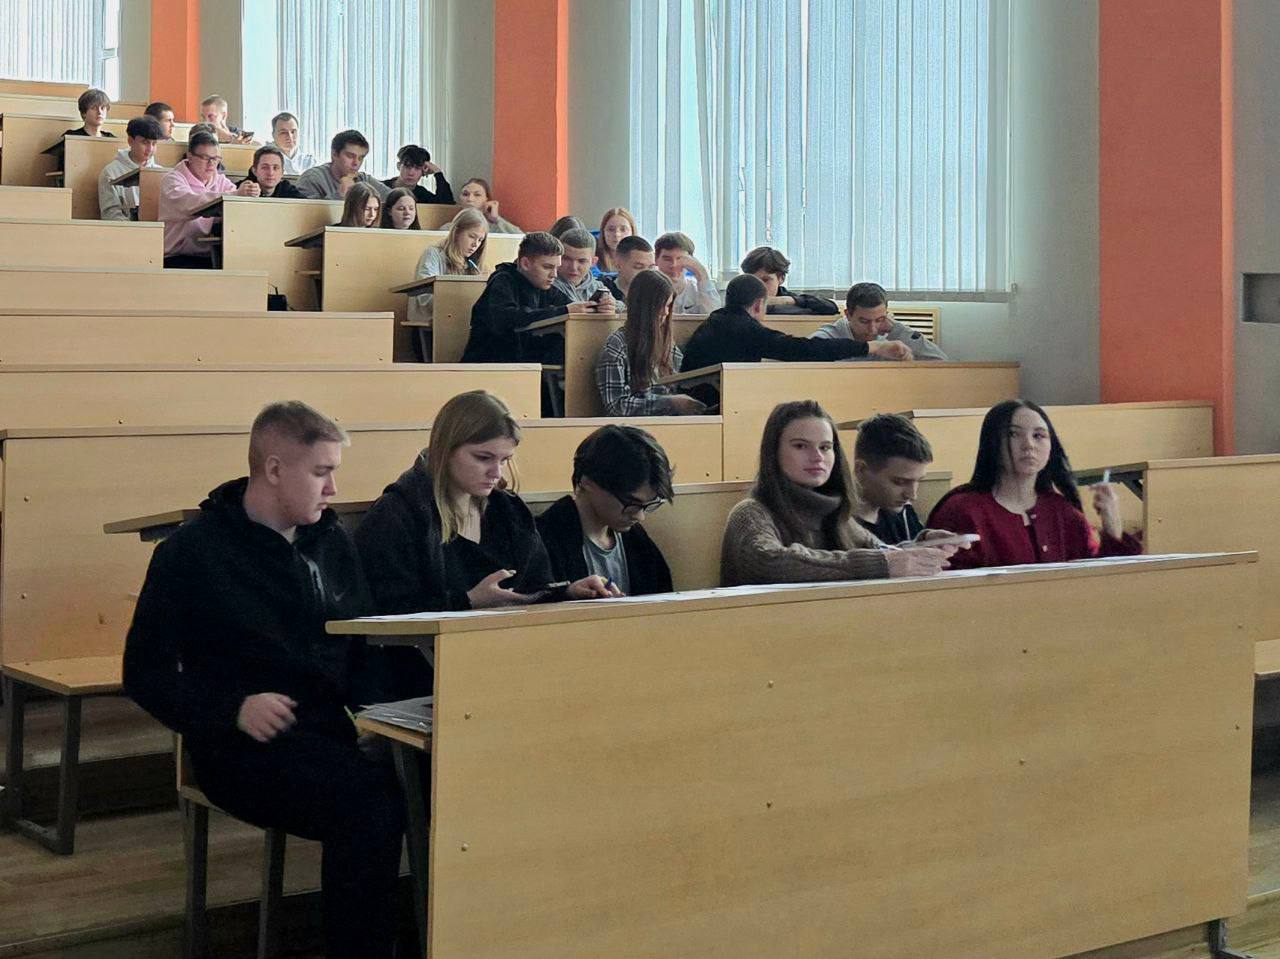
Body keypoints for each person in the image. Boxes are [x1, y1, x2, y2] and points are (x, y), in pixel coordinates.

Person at [122, 401, 405, 959]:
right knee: (370, 805)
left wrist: (379, 718)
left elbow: (360, 645)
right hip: (240, 747)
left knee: (428, 778)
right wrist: (233, 708)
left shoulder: (332, 541)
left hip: (331, 732)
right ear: (274, 469)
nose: (333, 490)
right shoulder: (193, 552)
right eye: (321, 472)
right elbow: (143, 673)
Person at [355, 390, 619, 628]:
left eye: (504, 460)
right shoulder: (397, 515)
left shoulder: (508, 510)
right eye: (483, 458)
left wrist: (567, 593)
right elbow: (385, 612)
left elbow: (533, 587)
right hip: (429, 659)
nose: (496, 473)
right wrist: (469, 601)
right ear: (445, 450)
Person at [720, 400, 954, 587]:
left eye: (825, 447)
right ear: (774, 452)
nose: (817, 457)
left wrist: (921, 548)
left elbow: (882, 553)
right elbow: (766, 562)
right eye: (800, 446)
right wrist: (880, 563)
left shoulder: (836, 512)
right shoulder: (751, 512)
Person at [927, 400, 1143, 570]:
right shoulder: (963, 510)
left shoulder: (1063, 511)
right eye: (1013, 434)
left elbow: (1101, 583)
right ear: (992, 442)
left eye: (1039, 435)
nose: (1029, 445)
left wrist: (1112, 527)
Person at [536, 425, 676, 596]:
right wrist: (566, 594)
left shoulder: (639, 543)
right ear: (587, 482)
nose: (640, 516)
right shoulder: (542, 541)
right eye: (631, 503)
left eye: (648, 505)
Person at [680, 274, 912, 371]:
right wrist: (871, 347)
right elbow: (802, 350)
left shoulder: (717, 321)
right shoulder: (744, 328)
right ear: (759, 305)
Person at [461, 231, 590, 364]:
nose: (554, 275)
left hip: (522, 365)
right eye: (547, 267)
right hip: (487, 366)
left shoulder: (544, 286)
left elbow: (570, 307)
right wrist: (564, 311)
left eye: (556, 268)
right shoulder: (502, 281)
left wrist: (593, 307)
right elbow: (508, 317)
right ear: (525, 264)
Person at [596, 270, 705, 416]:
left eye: (668, 306)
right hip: (633, 426)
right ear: (643, 306)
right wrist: (670, 403)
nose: (666, 313)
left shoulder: (666, 342)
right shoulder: (617, 345)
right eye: (661, 306)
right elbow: (617, 406)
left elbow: (683, 379)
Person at [158, 129, 259, 268]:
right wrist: (235, 195)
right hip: (177, 256)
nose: (211, 164)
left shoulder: (219, 180)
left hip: (211, 254)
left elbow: (236, 201)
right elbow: (191, 204)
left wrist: (250, 192)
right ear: (190, 156)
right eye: (205, 158)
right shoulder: (173, 180)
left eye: (216, 158)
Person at [407, 207, 488, 357]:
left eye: (480, 240)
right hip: (432, 327)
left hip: (462, 325)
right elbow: (424, 296)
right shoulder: (433, 254)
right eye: (472, 237)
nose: (475, 244)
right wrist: (456, 302)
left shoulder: (474, 265)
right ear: (456, 232)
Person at [852, 413, 943, 543]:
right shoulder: (832, 524)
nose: (912, 495)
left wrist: (926, 542)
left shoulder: (904, 513)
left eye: (918, 480)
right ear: (861, 469)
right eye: (899, 482)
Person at [811, 282, 949, 361]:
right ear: (848, 315)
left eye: (879, 320)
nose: (872, 329)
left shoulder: (894, 338)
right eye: (864, 321)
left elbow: (941, 363)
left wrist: (898, 329)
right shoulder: (829, 336)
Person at [98, 115, 164, 221]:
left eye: (154, 143)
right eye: (145, 142)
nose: (150, 149)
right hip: (125, 229)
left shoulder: (160, 172)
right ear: (130, 141)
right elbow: (110, 214)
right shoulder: (110, 173)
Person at [739, 246, 839, 314]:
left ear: (781, 278)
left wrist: (789, 301)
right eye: (753, 280)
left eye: (765, 280)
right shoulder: (738, 303)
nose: (758, 286)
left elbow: (831, 307)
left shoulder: (790, 301)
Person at [296, 130, 390, 201]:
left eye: (360, 158)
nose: (356, 163)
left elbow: (393, 198)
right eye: (350, 156)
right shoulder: (312, 179)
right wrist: (340, 195)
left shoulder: (363, 179)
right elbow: (308, 215)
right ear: (334, 154)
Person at [654, 231, 722, 313]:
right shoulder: (647, 289)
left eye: (680, 259)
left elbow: (714, 316)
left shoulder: (697, 291)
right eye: (667, 259)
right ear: (656, 260)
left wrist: (702, 274)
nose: (674, 265)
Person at [553, 227, 616, 308]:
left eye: (581, 261)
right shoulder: (544, 286)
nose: (573, 267)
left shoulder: (599, 288)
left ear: (593, 262)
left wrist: (612, 306)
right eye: (567, 259)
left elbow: (621, 307)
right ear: (557, 257)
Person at [381, 144, 453, 205]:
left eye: (417, 168)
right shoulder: (381, 187)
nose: (411, 173)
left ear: (424, 171)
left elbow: (447, 206)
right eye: (407, 166)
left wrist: (437, 172)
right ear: (398, 166)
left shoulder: (422, 195)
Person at [600, 235, 655, 304]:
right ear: (618, 264)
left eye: (651, 267)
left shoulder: (658, 291)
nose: (647, 273)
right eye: (639, 267)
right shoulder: (600, 290)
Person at [239, 144, 305, 198]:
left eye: (275, 168)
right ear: (254, 171)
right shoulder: (242, 189)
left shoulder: (287, 189)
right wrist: (238, 194)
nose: (270, 173)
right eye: (265, 167)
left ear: (282, 172)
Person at [596, 207, 637, 273]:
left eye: (623, 229)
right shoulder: (592, 259)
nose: (617, 234)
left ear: (632, 232)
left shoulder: (642, 260)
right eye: (611, 229)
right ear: (603, 232)